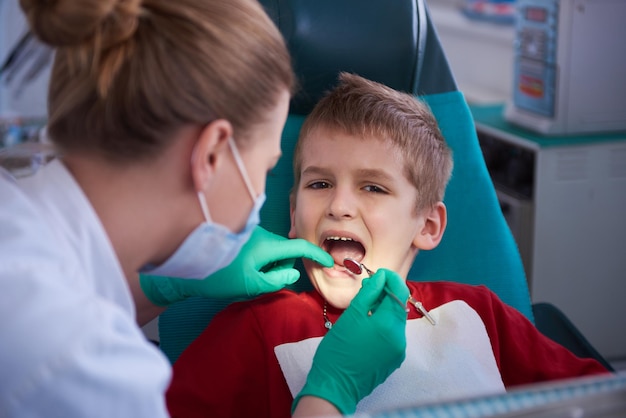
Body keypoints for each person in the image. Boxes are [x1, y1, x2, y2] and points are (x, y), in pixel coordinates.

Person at [0, 1, 408, 416]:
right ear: (211, 154)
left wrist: (163, 285)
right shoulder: (88, 366)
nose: (339, 206)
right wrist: (330, 394)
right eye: (266, 169)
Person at [165, 72, 609, 418]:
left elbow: (600, 400)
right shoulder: (259, 327)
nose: (339, 205)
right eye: (319, 183)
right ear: (294, 216)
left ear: (428, 226)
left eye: (373, 188)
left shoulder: (478, 313)